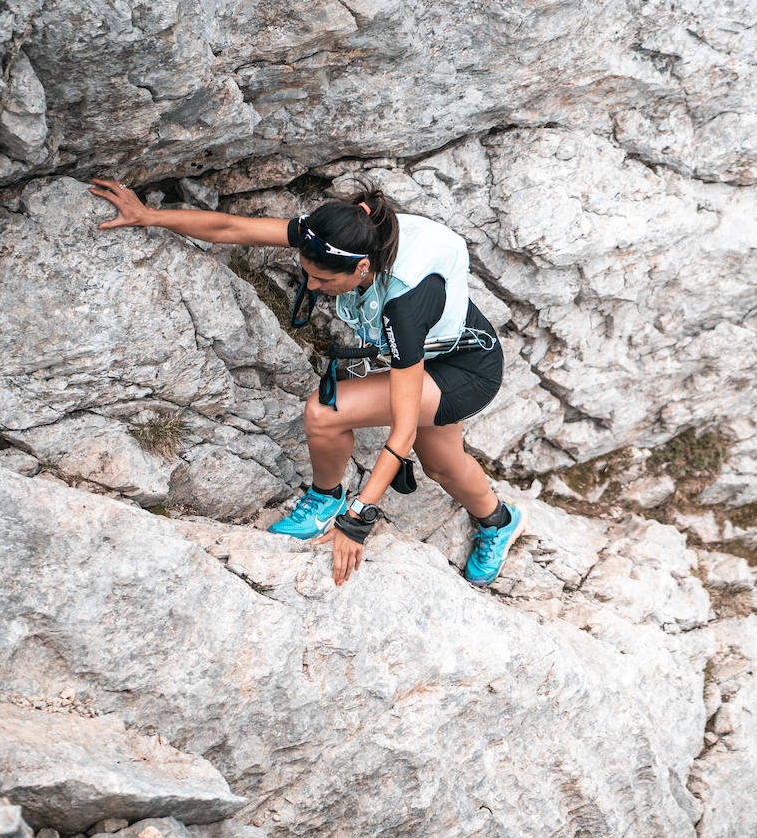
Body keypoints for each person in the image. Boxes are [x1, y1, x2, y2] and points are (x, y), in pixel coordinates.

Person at [89, 177, 526, 589]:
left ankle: (326, 502)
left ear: (361, 268)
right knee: (443, 466)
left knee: (325, 412)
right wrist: (148, 215)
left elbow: (403, 431)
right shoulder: (341, 237)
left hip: (465, 370)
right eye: (308, 275)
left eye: (324, 280)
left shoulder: (405, 307)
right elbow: (231, 227)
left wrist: (358, 520)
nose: (313, 286)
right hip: (440, 351)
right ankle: (501, 522)